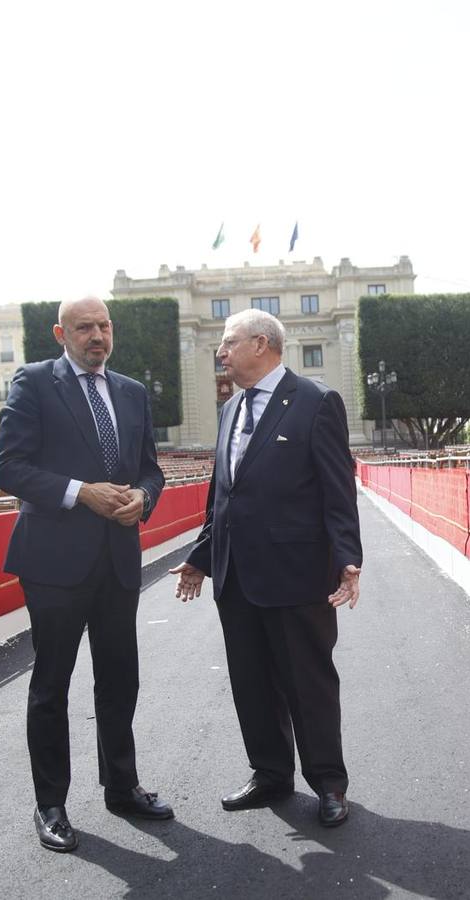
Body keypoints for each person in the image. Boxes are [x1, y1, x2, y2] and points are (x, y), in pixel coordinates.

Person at [169, 308, 362, 828]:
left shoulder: (316, 401)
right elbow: (222, 498)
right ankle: (270, 774)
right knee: (251, 684)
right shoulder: (230, 408)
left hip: (298, 576)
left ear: (261, 344)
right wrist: (200, 558)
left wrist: (348, 559)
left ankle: (328, 782)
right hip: (237, 580)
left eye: (228, 343)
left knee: (308, 684)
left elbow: (338, 492)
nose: (220, 352)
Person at [0, 295, 171, 854]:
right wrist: (79, 493)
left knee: (120, 678)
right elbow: (8, 467)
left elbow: (150, 468)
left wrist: (144, 497)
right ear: (60, 332)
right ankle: (51, 806)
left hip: (118, 557)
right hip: (53, 563)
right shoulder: (35, 383)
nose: (97, 335)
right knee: (52, 686)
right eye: (84, 327)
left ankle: (121, 785)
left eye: (103, 326)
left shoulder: (132, 392)